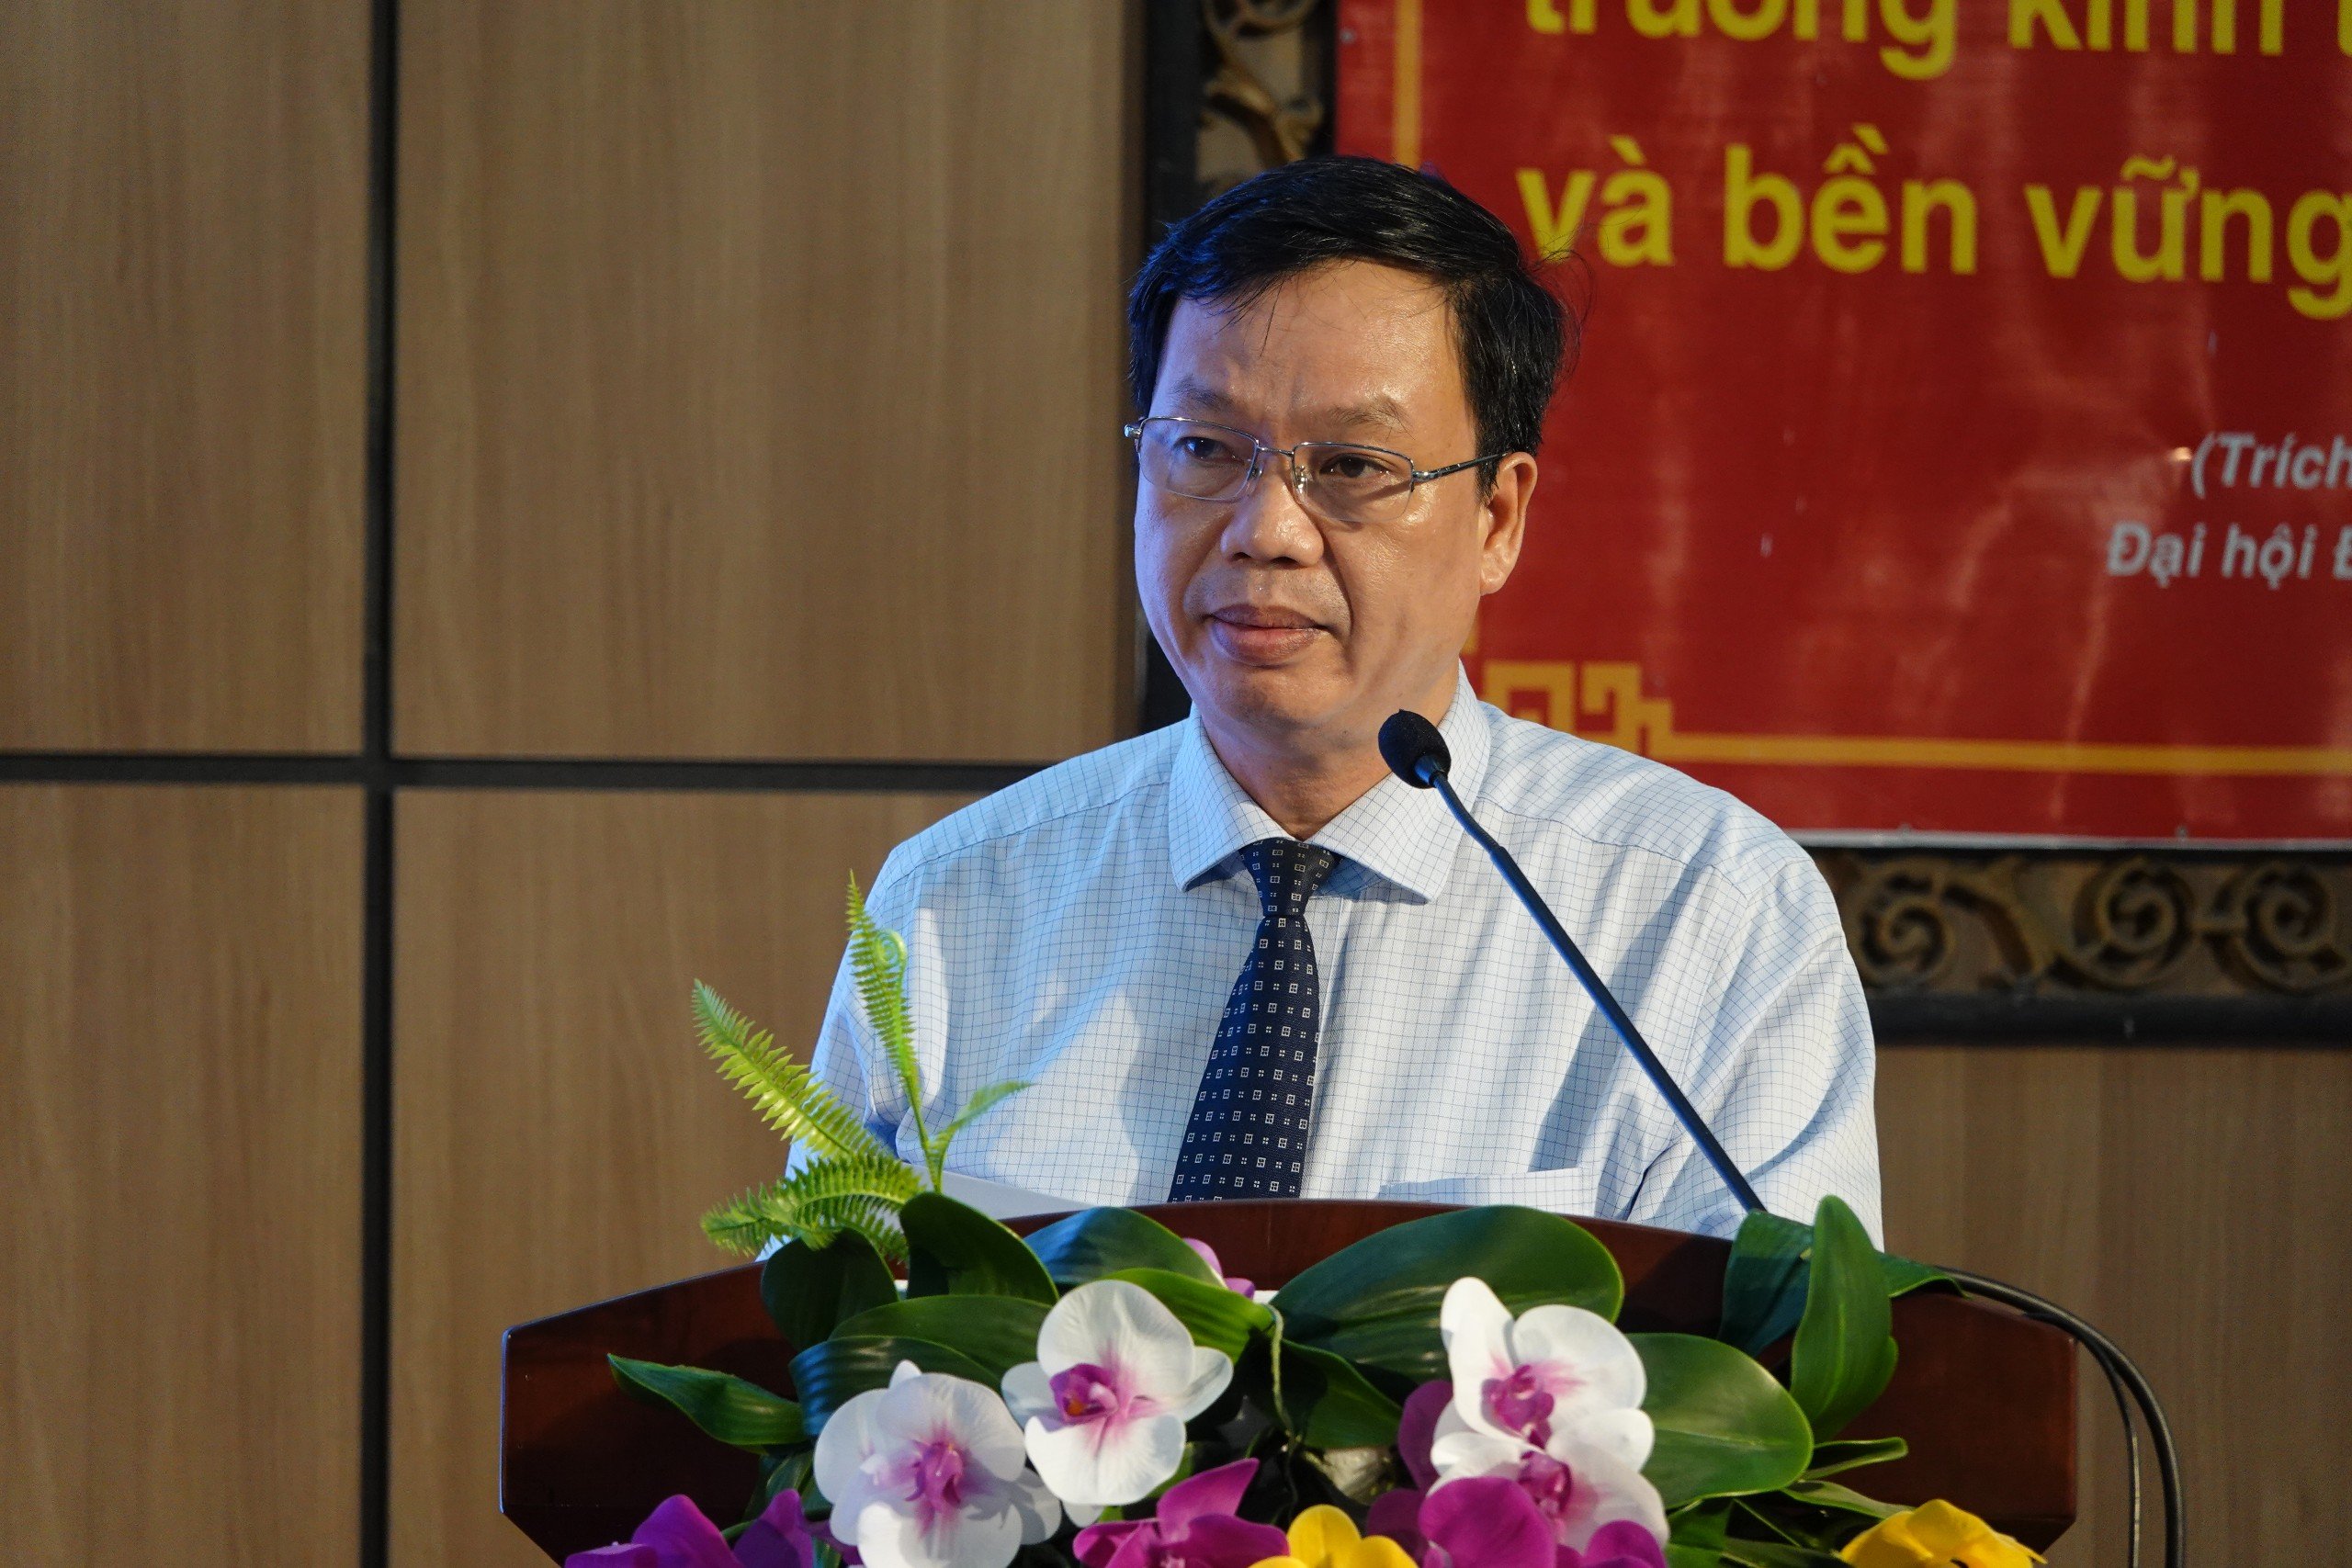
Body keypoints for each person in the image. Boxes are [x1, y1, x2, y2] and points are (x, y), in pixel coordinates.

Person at [798, 155, 1879, 1240]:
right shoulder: (954, 906)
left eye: (1354, 466)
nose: (1265, 531)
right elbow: (820, 1329)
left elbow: (1782, 1340)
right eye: (1204, 449)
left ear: (1497, 518)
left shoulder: (1704, 914)